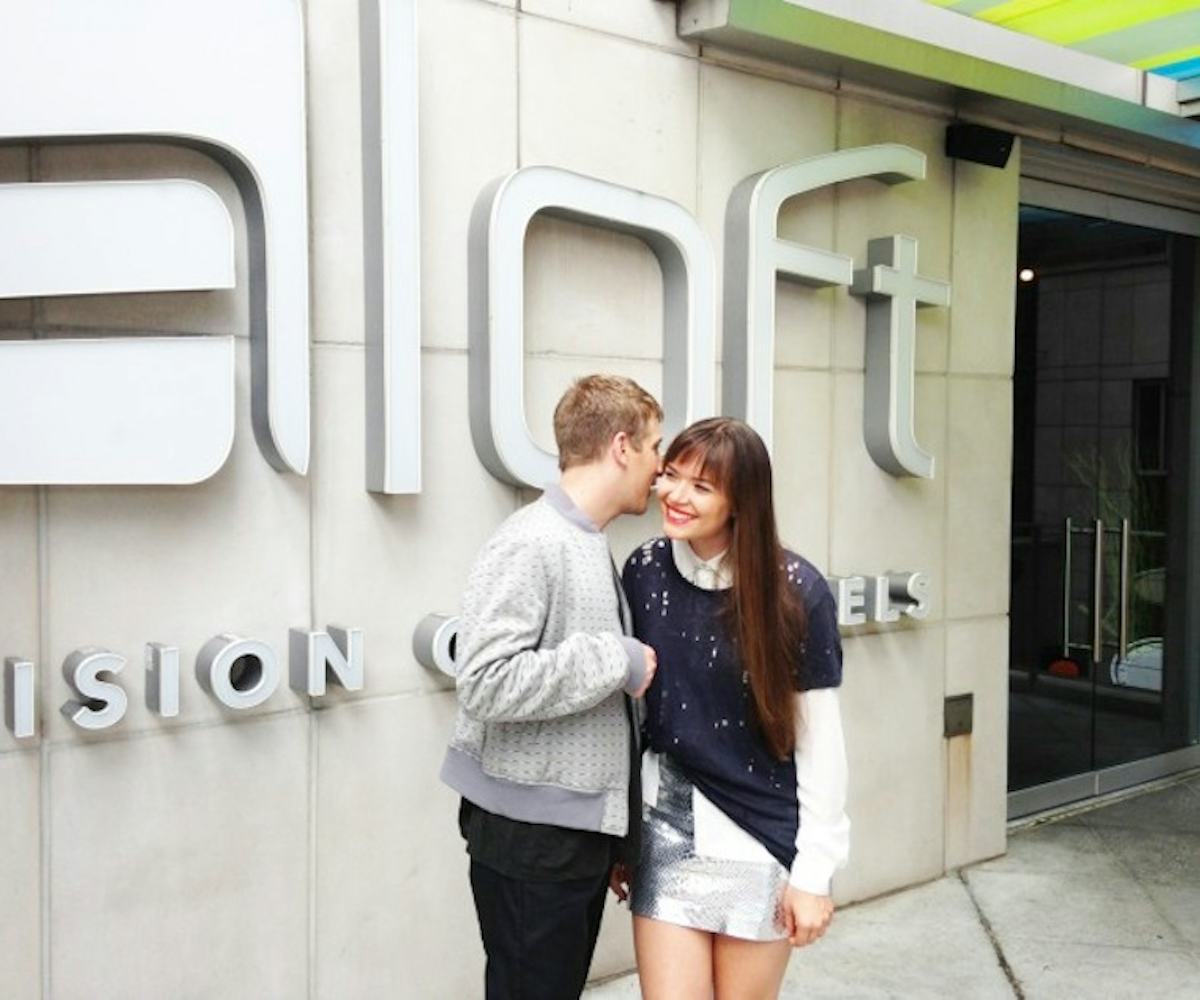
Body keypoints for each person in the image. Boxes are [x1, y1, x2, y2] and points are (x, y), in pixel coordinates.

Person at [441, 374, 664, 1000]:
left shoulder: (585, 541)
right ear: (622, 447)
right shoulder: (532, 541)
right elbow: (482, 682)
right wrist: (612, 658)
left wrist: (618, 836)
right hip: (530, 838)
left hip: (568, 834)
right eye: (653, 448)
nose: (660, 467)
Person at [618, 417, 849, 1000]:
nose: (674, 495)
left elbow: (821, 745)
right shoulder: (645, 570)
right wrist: (621, 838)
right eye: (671, 475)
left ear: (740, 501)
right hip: (665, 827)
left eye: (701, 486)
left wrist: (813, 874)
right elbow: (635, 720)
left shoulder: (796, 591)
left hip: (759, 835)